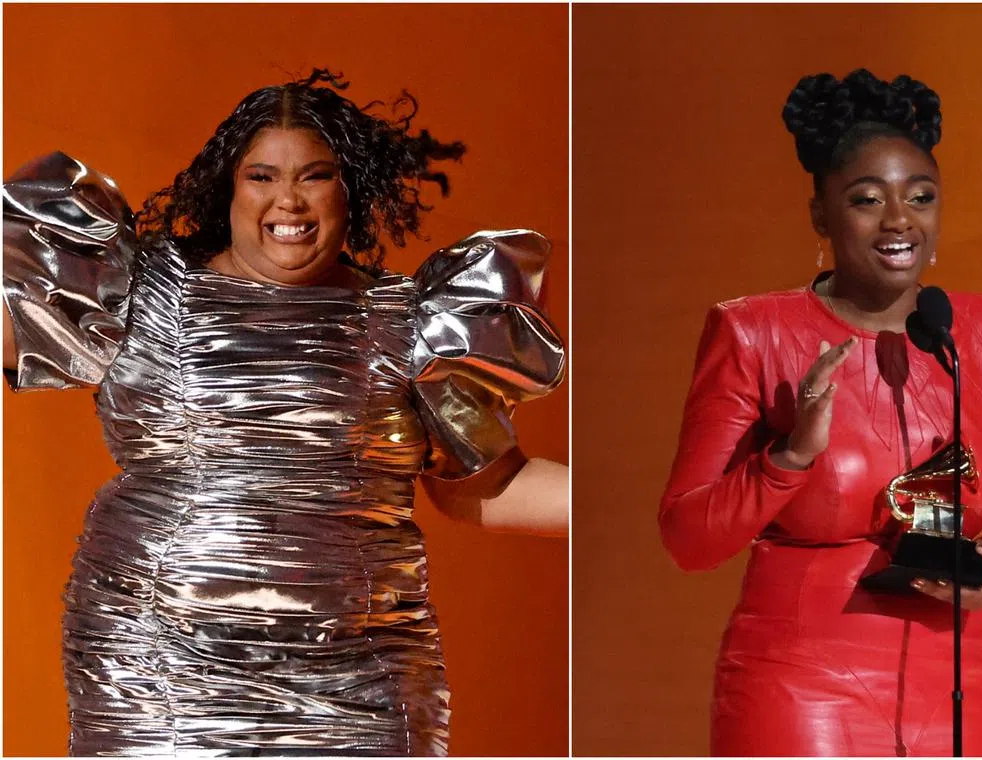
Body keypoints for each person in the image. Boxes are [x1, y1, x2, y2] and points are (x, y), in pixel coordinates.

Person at [3, 69, 567, 756]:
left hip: (359, 677)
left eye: (315, 176)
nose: (288, 200)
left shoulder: (413, 321)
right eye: (262, 176)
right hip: (155, 667)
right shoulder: (138, 290)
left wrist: (634, 503)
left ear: (349, 190)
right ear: (230, 188)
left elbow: (485, 489)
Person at [658, 69, 982, 756]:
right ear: (822, 215)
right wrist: (790, 459)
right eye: (867, 200)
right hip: (800, 683)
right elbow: (687, 538)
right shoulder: (754, 332)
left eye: (921, 198)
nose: (900, 220)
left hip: (956, 677)